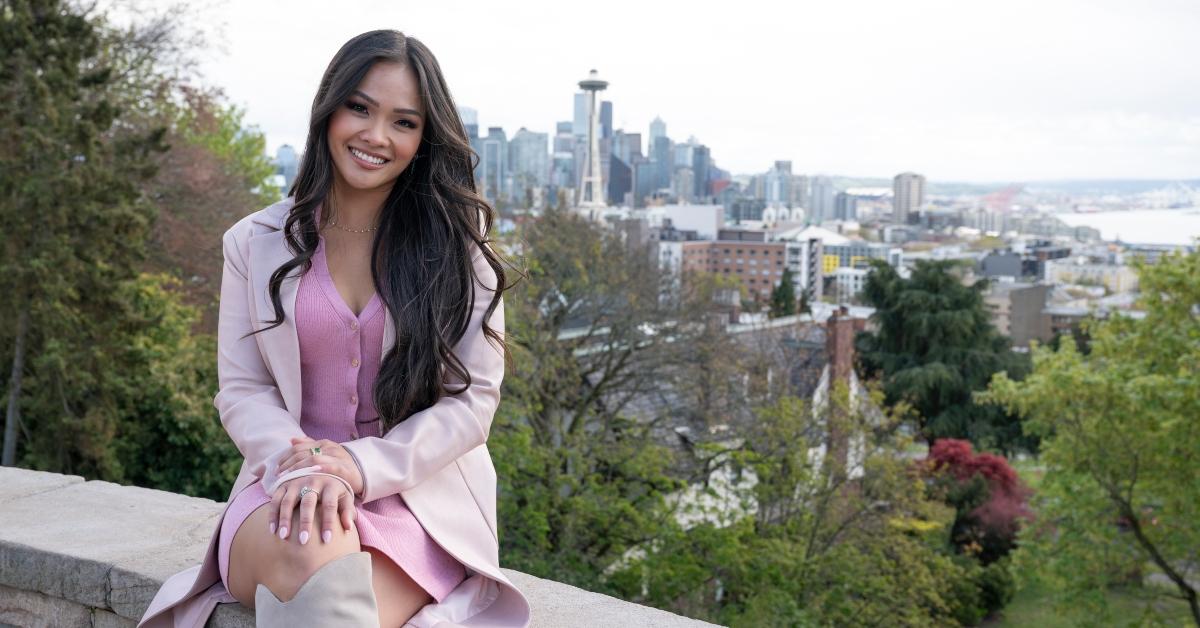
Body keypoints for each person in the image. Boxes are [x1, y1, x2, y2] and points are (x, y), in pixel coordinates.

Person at [137, 30, 532, 628]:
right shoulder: (254, 243)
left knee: (329, 602)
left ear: (424, 140)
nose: (376, 136)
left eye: (404, 122)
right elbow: (243, 390)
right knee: (311, 555)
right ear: (329, 109)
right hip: (282, 489)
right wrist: (309, 469)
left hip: (418, 503)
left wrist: (360, 467)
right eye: (360, 108)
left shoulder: (459, 253)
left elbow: (472, 401)